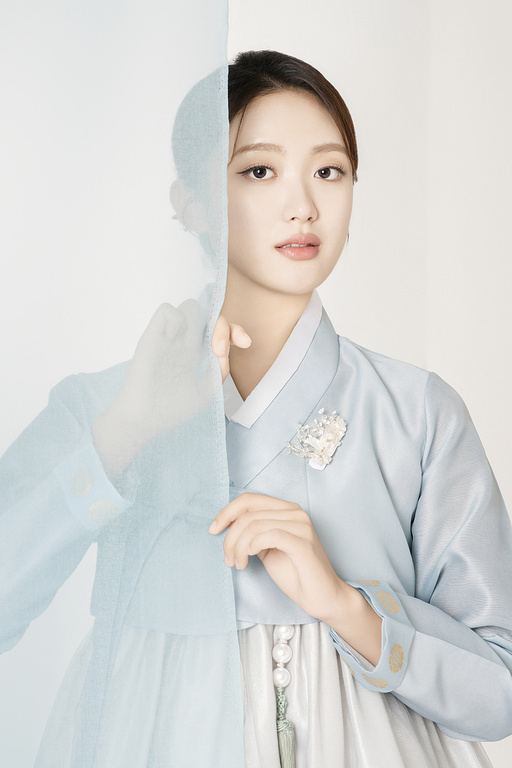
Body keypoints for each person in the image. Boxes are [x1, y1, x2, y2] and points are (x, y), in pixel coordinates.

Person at [1, 49, 511, 767]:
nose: (302, 204)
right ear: (190, 203)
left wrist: (343, 604)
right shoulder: (104, 404)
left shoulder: (418, 414)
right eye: (259, 171)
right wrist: (122, 435)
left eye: (328, 171)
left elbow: (499, 689)